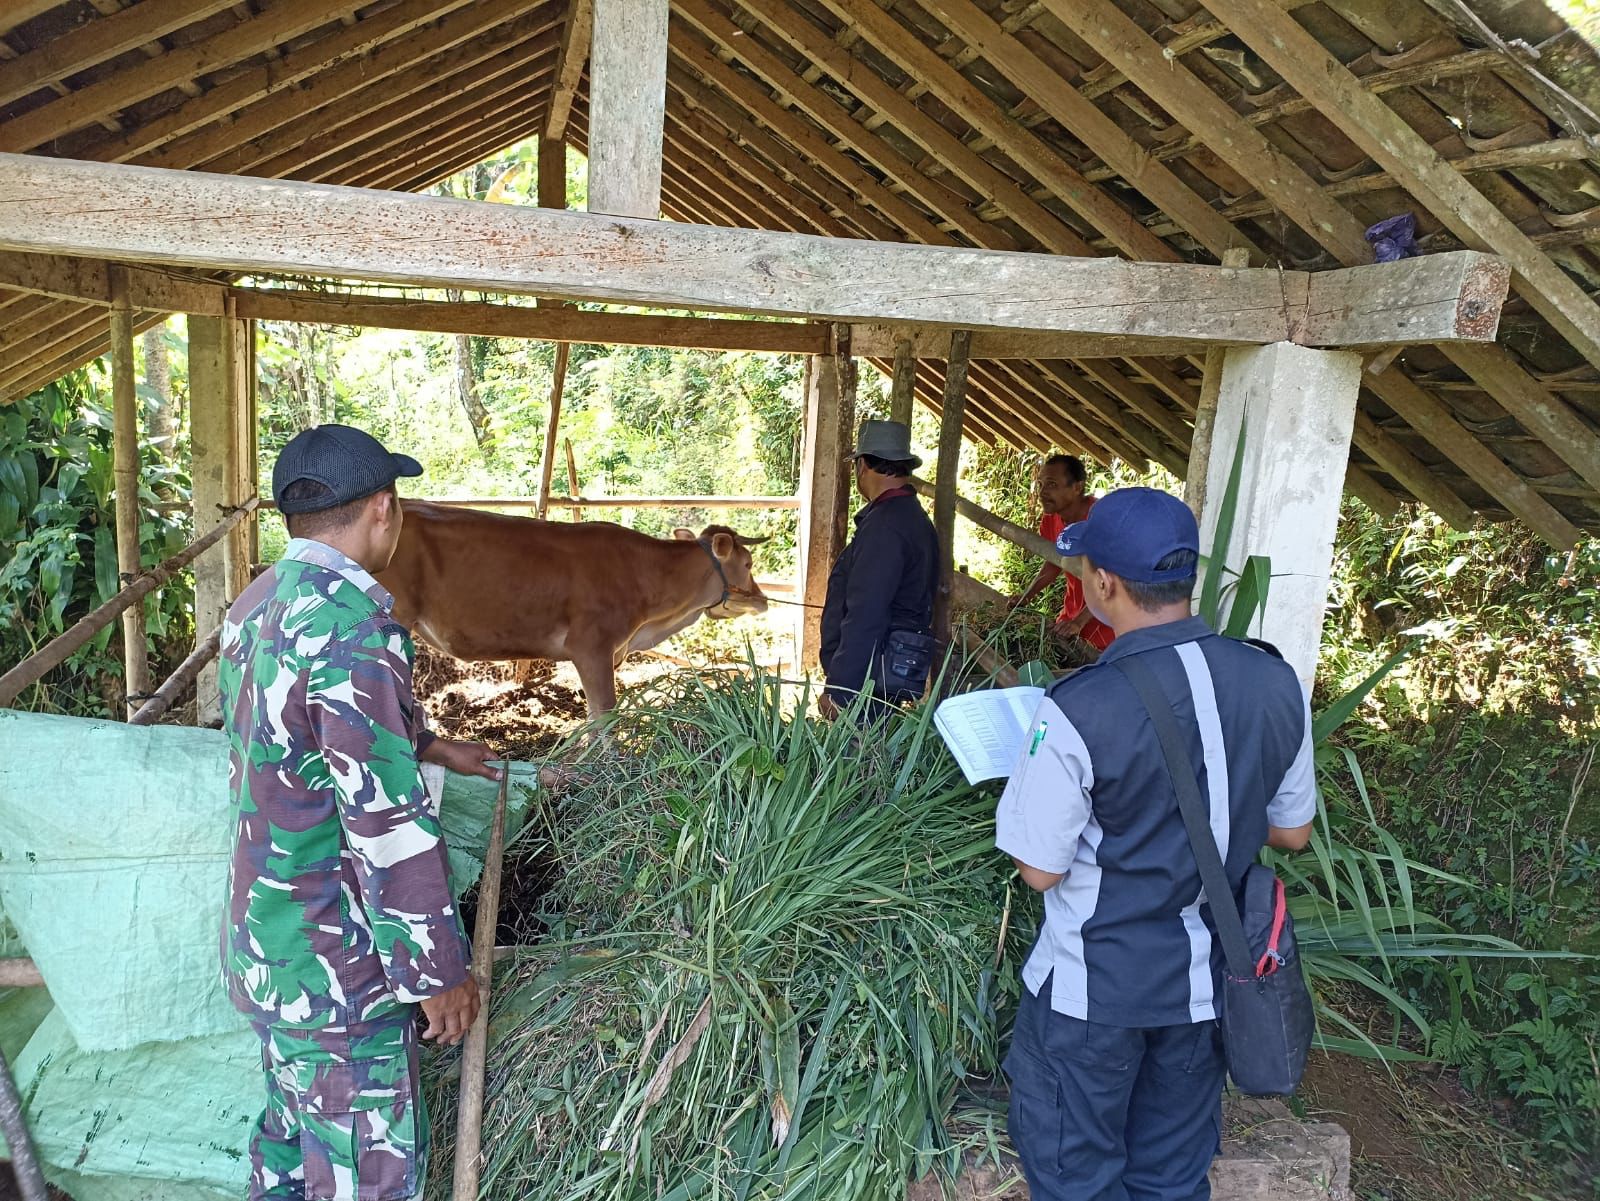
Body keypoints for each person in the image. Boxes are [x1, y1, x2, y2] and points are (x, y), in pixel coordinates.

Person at [994, 487, 1317, 1201]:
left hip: (1091, 997)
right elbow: (1292, 830)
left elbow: (1039, 870)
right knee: (1170, 1182)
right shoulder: (1274, 682)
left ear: (1104, 583)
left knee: (1078, 1178)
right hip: (1207, 994)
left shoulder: (1079, 707)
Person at [219, 424, 502, 1201]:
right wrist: (437, 972)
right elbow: (386, 824)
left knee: (291, 1155)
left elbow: (304, 730)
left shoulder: (257, 606)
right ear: (384, 508)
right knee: (361, 1182)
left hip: (266, 947)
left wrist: (434, 744)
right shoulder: (353, 629)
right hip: (336, 967)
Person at [816, 420, 939, 721]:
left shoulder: (886, 526)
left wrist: (842, 690)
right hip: (887, 669)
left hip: (869, 677)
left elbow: (867, 613)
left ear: (862, 465)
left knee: (859, 759)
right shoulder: (908, 517)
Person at [1008, 454, 1113, 657]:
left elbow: (1114, 579)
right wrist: (1027, 596)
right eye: (1041, 484)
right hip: (1070, 621)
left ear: (1077, 487)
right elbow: (1053, 562)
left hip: (1106, 632)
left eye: (1052, 484)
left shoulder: (1102, 519)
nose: (1042, 492)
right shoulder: (1052, 519)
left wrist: (1079, 622)